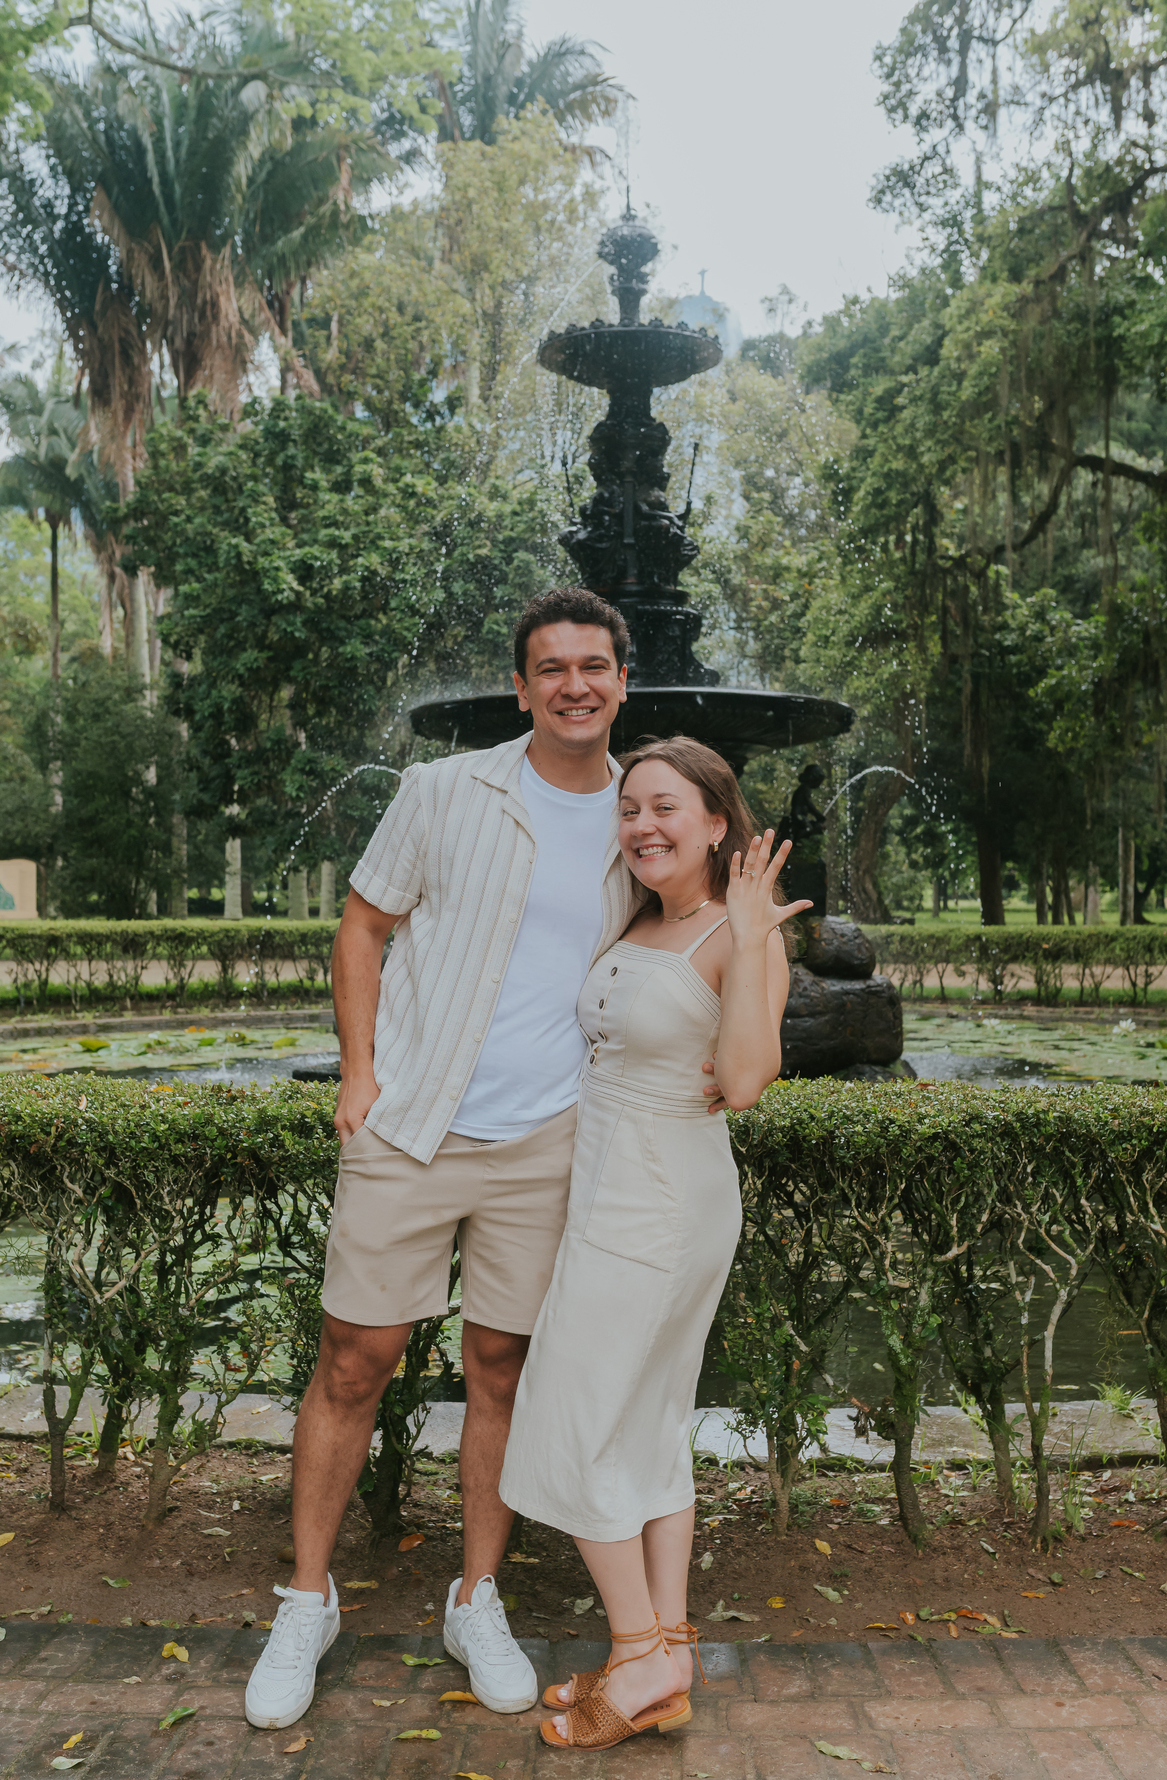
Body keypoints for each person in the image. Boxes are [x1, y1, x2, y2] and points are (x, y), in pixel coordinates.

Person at [244, 586, 643, 1730]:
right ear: (522, 688)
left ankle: (477, 1597)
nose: (575, 684)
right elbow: (363, 927)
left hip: (550, 1140)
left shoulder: (640, 813)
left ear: (622, 683)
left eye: (594, 666)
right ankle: (306, 1600)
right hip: (417, 1127)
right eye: (552, 667)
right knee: (354, 1360)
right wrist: (361, 1077)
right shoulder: (441, 790)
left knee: (502, 1372)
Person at [499, 735, 810, 1753]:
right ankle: (665, 1653)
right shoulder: (643, 916)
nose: (643, 825)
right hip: (612, 1190)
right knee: (642, 1421)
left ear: (718, 822)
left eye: (666, 808)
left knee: (574, 1418)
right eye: (630, 809)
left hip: (661, 1202)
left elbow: (752, 1077)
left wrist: (758, 936)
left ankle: (638, 1654)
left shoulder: (734, 929)